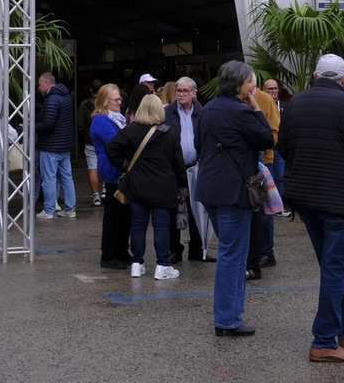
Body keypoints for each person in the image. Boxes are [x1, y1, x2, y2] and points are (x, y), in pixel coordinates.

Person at [277, 54, 344, 364]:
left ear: (314, 74)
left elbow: (284, 148)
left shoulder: (295, 103)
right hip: (341, 199)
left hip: (306, 197)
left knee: (331, 266)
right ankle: (324, 340)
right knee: (335, 267)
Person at [195, 60, 275, 337]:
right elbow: (267, 139)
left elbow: (197, 145)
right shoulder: (242, 111)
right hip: (234, 190)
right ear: (240, 84)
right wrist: (255, 108)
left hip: (209, 189)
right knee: (233, 254)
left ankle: (229, 316)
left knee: (232, 251)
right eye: (251, 82)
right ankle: (227, 319)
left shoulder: (207, 109)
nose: (253, 87)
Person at [106, 94, 187, 280]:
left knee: (138, 225)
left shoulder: (132, 130)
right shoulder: (169, 132)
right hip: (163, 186)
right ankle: (162, 265)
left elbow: (111, 148)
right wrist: (182, 186)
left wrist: (125, 164)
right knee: (161, 227)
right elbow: (178, 164)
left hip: (137, 185)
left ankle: (137, 263)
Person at [162, 77, 205, 262]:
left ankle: (197, 249)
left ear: (194, 93)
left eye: (186, 91)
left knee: (197, 209)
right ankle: (175, 250)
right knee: (174, 209)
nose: (181, 94)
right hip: (174, 169)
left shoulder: (202, 112)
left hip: (196, 167)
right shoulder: (167, 112)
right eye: (179, 90)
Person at [89, 83, 130, 269]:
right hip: (113, 171)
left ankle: (121, 251)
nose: (120, 102)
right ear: (105, 102)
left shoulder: (118, 118)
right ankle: (109, 254)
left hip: (122, 171)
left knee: (124, 215)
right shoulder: (100, 121)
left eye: (120, 98)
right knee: (114, 215)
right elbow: (117, 142)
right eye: (116, 99)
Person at [248, 77, 282, 276]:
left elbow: (275, 131)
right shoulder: (238, 99)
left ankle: (267, 252)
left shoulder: (265, 100)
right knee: (252, 207)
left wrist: (261, 145)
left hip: (265, 159)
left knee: (264, 209)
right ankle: (255, 251)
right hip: (246, 163)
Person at [34, 73, 77, 219]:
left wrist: (31, 128)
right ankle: (70, 208)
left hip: (51, 145)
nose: (39, 88)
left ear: (47, 83)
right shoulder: (66, 98)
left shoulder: (52, 100)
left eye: (40, 84)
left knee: (49, 178)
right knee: (67, 177)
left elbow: (48, 124)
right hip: (65, 145)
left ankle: (49, 210)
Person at [263, 79, 288, 214]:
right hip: (266, 147)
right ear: (264, 90)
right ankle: (269, 206)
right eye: (269, 89)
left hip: (280, 148)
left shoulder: (284, 105)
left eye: (275, 88)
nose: (273, 91)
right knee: (268, 177)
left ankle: (279, 206)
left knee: (279, 177)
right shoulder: (261, 104)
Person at [80, 80, 103, 207]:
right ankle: (105, 188)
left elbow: (80, 123)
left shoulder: (84, 104)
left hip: (90, 139)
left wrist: (85, 134)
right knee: (105, 162)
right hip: (104, 138)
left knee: (92, 167)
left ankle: (96, 196)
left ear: (90, 90)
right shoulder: (104, 103)